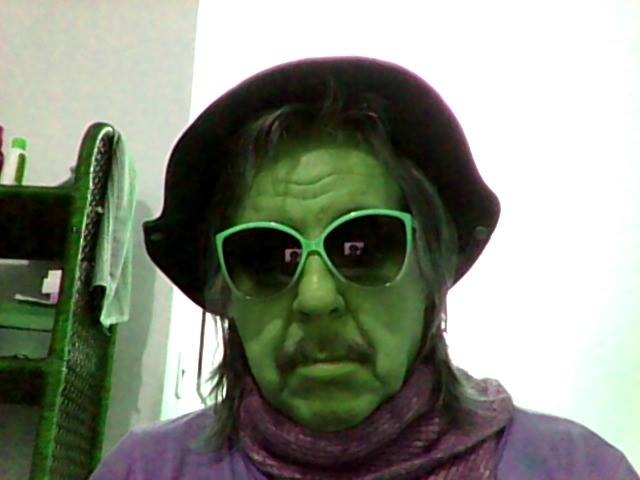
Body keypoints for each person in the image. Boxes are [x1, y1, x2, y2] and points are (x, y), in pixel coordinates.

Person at [91, 57, 638, 479]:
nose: (316, 298)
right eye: (267, 257)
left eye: (361, 246)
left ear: (432, 273)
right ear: (225, 293)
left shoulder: (577, 469)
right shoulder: (144, 471)